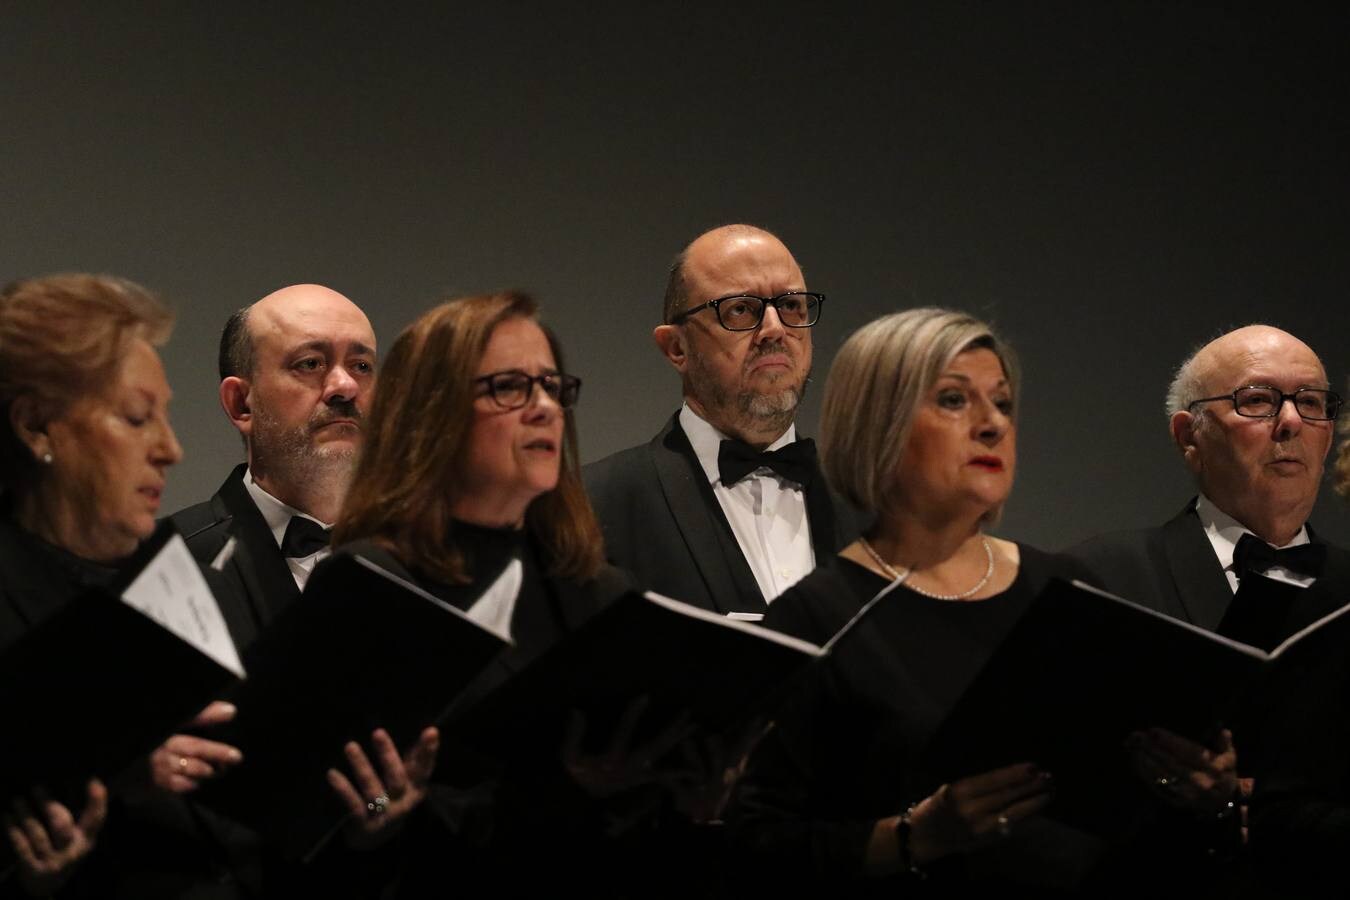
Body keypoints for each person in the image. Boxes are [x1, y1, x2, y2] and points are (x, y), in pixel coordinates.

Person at [331, 291, 717, 896]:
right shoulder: (372, 588)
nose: (544, 409)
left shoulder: (596, 588)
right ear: (430, 414)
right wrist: (380, 817)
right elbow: (353, 830)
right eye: (510, 387)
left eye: (552, 386)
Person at [728, 308, 1106, 894]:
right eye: (955, 400)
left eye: (1002, 404)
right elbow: (758, 847)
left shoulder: (1068, 591)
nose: (992, 425)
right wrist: (918, 836)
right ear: (881, 422)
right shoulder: (816, 618)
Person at [159, 284, 435, 896]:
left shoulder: (430, 567)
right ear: (242, 403)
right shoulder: (166, 567)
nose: (344, 387)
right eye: (311, 364)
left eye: (362, 365)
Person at [0, 273, 180, 896]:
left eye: (165, 416)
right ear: (36, 426)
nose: (172, 449)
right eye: (137, 418)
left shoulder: (176, 570)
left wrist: (370, 819)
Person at [585, 224, 860, 615]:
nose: (775, 329)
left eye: (791, 306)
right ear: (677, 348)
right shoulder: (594, 506)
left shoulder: (872, 505)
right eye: (741, 309)